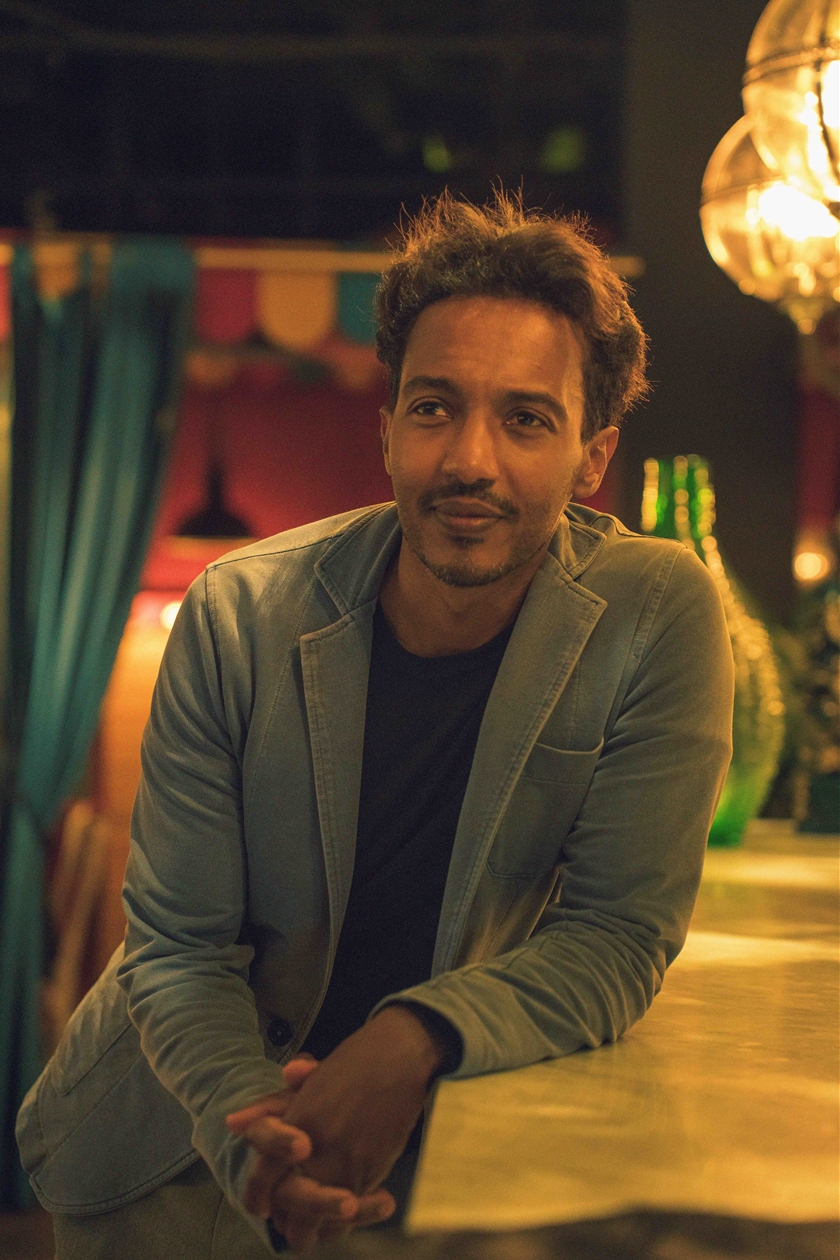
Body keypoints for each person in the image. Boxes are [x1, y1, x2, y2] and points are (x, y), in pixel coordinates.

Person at [17, 190, 734, 1258]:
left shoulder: (655, 614)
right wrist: (257, 1137)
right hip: (163, 1153)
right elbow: (178, 949)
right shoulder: (237, 611)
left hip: (417, 1161)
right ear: (389, 429)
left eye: (526, 419)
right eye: (435, 407)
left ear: (593, 457)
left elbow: (616, 937)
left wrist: (415, 1033)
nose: (471, 460)